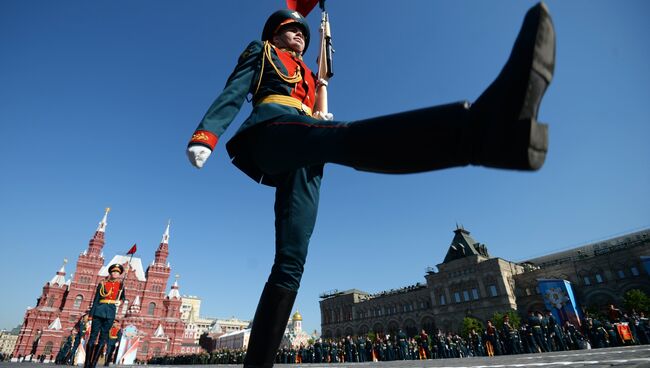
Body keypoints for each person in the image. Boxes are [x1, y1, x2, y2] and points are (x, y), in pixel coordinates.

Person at [186, 4, 555, 367]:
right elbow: (234, 92)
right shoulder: (262, 51)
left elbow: (314, 111)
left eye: (304, 32)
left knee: (291, 262)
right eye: (291, 29)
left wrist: (321, 88)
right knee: (342, 138)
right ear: (274, 33)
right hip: (272, 132)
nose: (299, 34)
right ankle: (482, 131)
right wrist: (207, 134)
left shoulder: (309, 75)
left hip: (306, 147)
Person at [84, 264, 125, 368]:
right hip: (99, 312)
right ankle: (87, 362)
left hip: (110, 313)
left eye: (118, 272)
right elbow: (96, 299)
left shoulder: (121, 286)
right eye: (114, 272)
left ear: (120, 274)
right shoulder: (102, 284)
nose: (115, 274)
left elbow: (123, 297)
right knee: (93, 337)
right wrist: (90, 316)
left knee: (103, 338)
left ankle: (94, 363)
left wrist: (120, 302)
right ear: (110, 273)